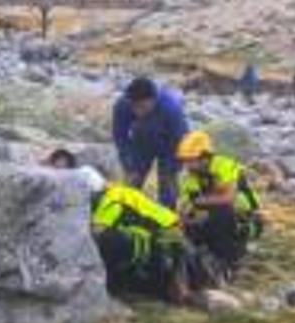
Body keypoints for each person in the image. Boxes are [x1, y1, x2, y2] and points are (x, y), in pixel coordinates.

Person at [78, 166, 191, 302]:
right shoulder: (115, 191)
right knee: (112, 239)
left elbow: (98, 230)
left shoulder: (111, 198)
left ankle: (115, 287)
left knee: (107, 240)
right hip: (166, 237)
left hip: (165, 240)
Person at [175, 131, 263, 282]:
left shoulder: (224, 165)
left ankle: (230, 263)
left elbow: (228, 198)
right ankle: (207, 260)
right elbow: (185, 206)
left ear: (205, 156)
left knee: (221, 214)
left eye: (191, 160)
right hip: (218, 215)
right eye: (185, 160)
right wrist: (186, 219)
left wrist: (198, 202)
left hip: (246, 218)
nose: (187, 164)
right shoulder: (188, 177)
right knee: (192, 229)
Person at [111, 76, 190, 207]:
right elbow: (120, 136)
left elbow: (181, 141)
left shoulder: (171, 109)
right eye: (134, 107)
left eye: (142, 107)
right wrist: (128, 165)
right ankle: (127, 214)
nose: (138, 111)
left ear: (153, 100)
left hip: (169, 147)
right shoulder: (123, 104)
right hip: (141, 143)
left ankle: (168, 217)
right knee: (131, 183)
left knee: (167, 187)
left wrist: (172, 167)